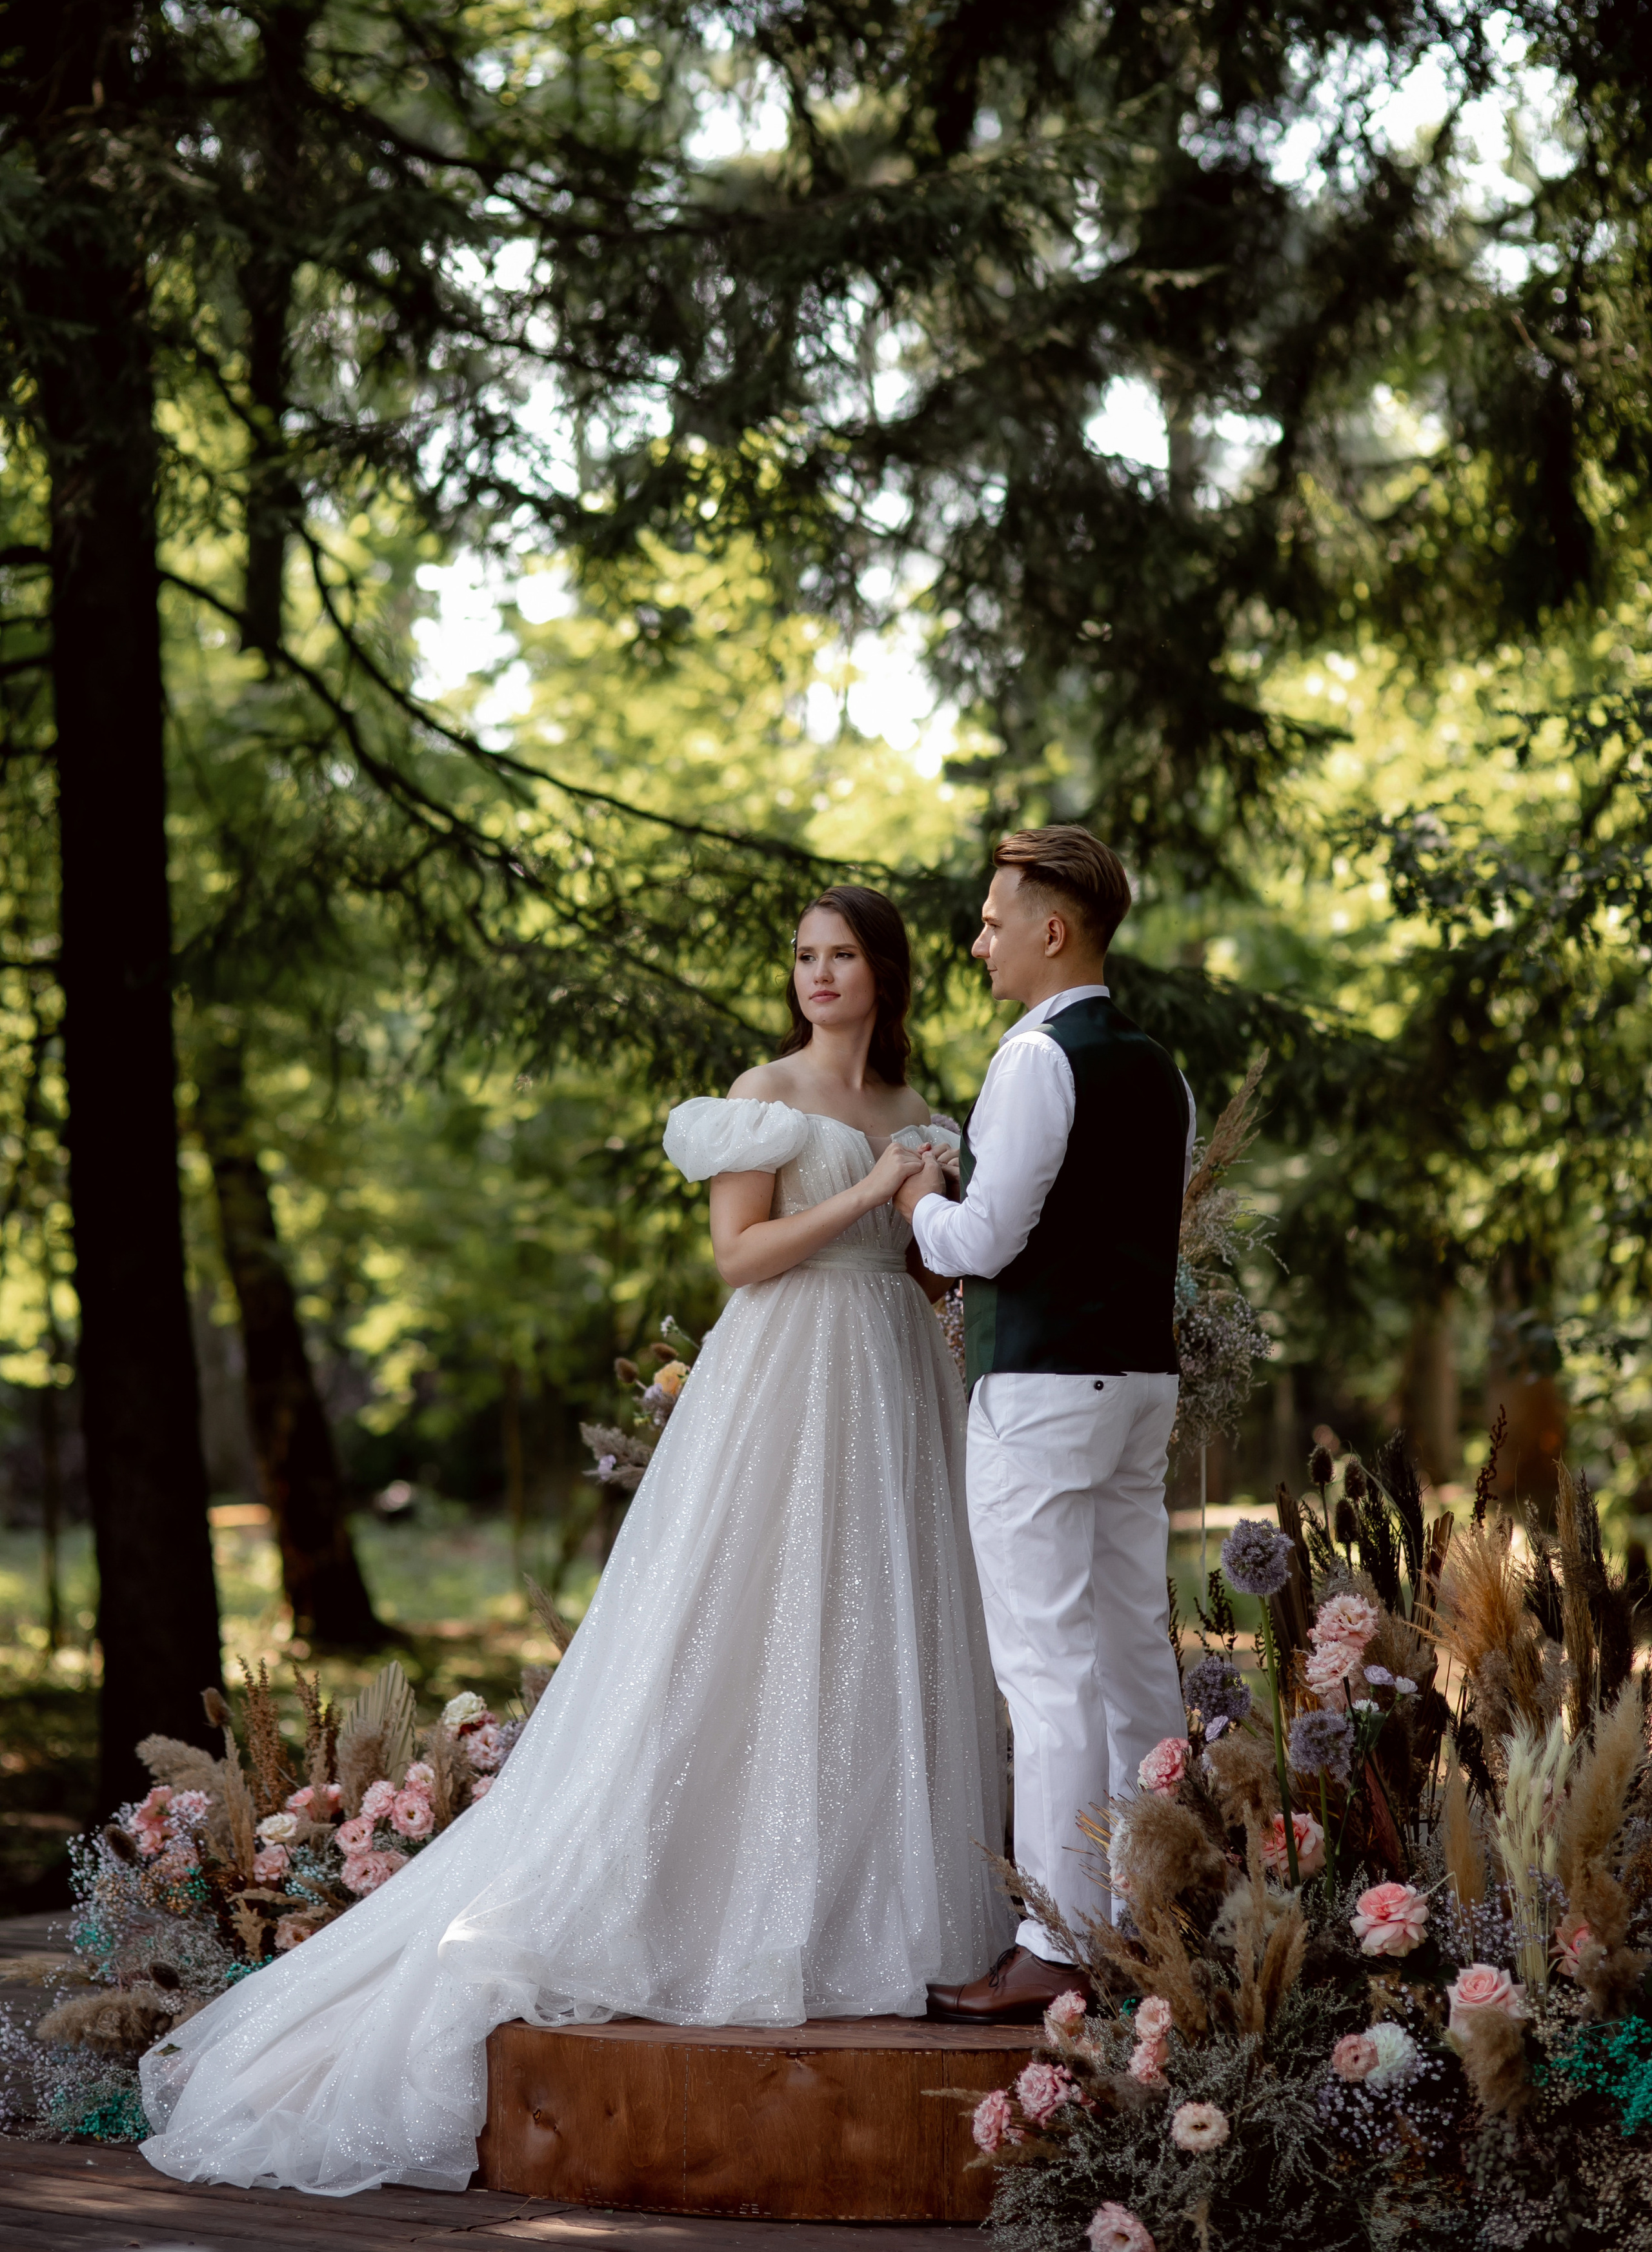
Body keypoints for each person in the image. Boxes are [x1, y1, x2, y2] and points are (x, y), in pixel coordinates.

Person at [138, 884, 1010, 2196]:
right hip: (785, 1376)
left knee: (879, 1627)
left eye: (839, 957)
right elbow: (739, 1255)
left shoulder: (915, 1110)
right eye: (802, 957)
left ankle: (869, 1909)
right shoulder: (762, 1093)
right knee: (741, 1623)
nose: (816, 976)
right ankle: (712, 1899)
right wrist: (869, 1194)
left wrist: (925, 1214)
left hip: (891, 1382)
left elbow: (926, 1269)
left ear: (882, 973)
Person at [896, 827, 1194, 2026]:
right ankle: (1151, 1914)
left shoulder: (1034, 1059)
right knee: (1132, 1656)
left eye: (990, 919)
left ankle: (1058, 1945)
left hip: (1040, 1395)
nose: (978, 941)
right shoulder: (1158, 1067)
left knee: (1049, 1671)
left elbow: (984, 1243)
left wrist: (921, 1199)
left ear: (1051, 929)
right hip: (1138, 1391)